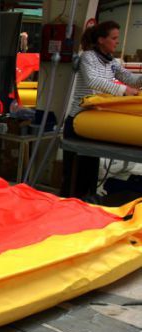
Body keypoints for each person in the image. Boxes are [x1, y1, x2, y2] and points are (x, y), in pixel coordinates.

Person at [62, 20, 142, 199]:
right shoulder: (88, 57)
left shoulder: (111, 62)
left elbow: (129, 78)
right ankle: (70, 204)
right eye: (113, 38)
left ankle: (86, 204)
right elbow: (94, 81)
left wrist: (139, 80)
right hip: (79, 120)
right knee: (76, 175)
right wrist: (124, 91)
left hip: (95, 122)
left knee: (90, 171)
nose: (117, 42)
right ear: (101, 40)